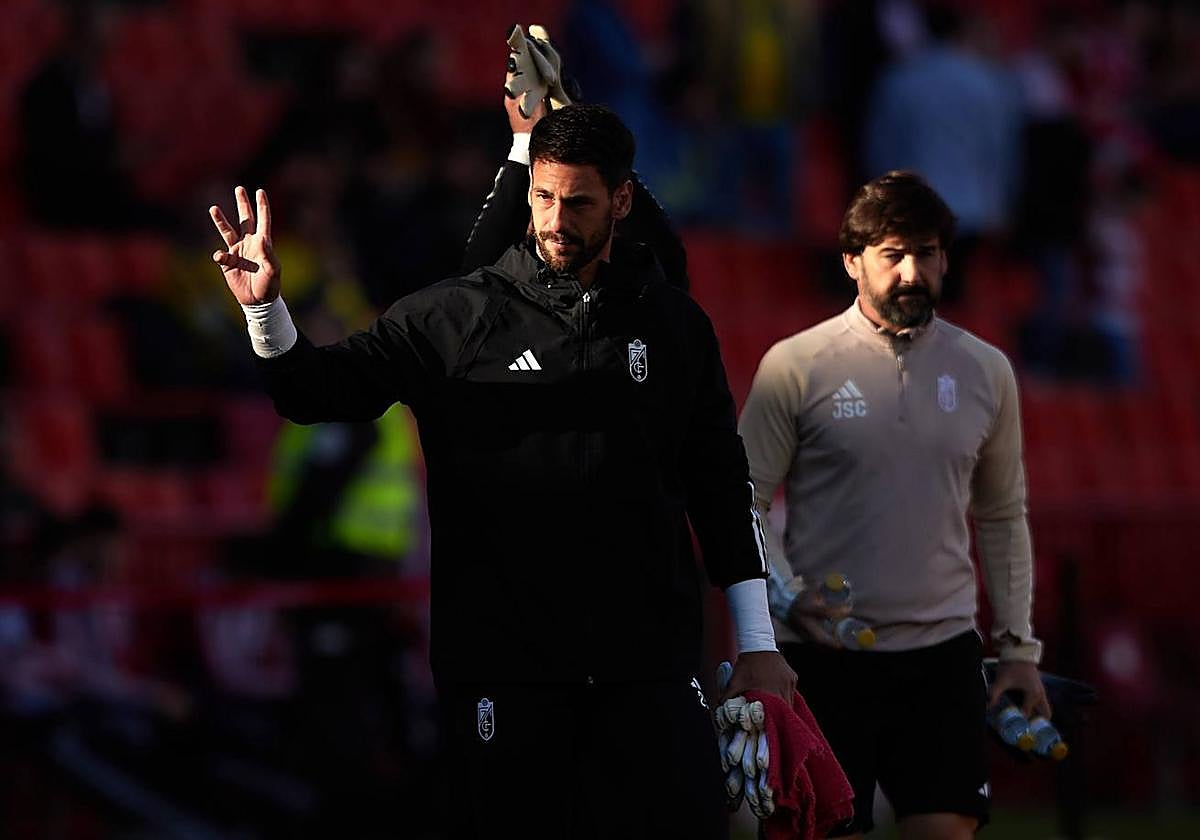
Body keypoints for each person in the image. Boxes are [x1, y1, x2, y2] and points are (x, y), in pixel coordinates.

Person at [208, 103, 795, 838]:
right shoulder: (455, 317)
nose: (556, 219)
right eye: (544, 197)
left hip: (648, 666)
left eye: (579, 202)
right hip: (503, 669)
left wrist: (759, 647)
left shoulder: (675, 328)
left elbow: (719, 487)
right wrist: (267, 314)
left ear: (620, 200)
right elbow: (314, 392)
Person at [738, 171, 1050, 839]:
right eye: (892, 254)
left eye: (928, 253)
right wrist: (788, 598)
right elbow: (743, 502)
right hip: (821, 660)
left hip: (941, 657)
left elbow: (1001, 515)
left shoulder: (987, 371)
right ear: (852, 261)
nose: (913, 271)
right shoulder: (796, 365)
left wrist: (1019, 648)